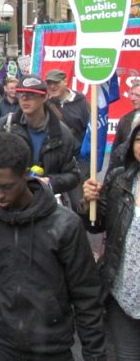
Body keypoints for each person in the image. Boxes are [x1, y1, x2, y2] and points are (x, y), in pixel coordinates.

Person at [0, 133, 106, 361]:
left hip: (51, 347)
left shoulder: (65, 225)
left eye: (6, 186)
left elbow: (86, 297)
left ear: (25, 174)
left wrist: (95, 355)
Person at [82, 119, 140, 360]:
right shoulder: (119, 179)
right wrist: (89, 204)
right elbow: (96, 226)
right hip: (122, 296)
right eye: (138, 139)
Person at [0, 74, 81, 206]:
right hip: (12, 203)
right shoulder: (6, 126)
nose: (24, 99)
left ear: (44, 97)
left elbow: (73, 175)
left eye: (30, 95)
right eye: (21, 94)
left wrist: (50, 182)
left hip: (46, 204)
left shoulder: (62, 133)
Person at [46, 69, 90, 144]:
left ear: (65, 82)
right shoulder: (44, 103)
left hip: (76, 152)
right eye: (49, 83)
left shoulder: (81, 102)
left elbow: (90, 129)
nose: (52, 86)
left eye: (56, 82)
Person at [110, 81, 140, 166]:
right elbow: (115, 151)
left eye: (137, 95)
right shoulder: (124, 120)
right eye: (132, 94)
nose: (133, 98)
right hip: (127, 170)